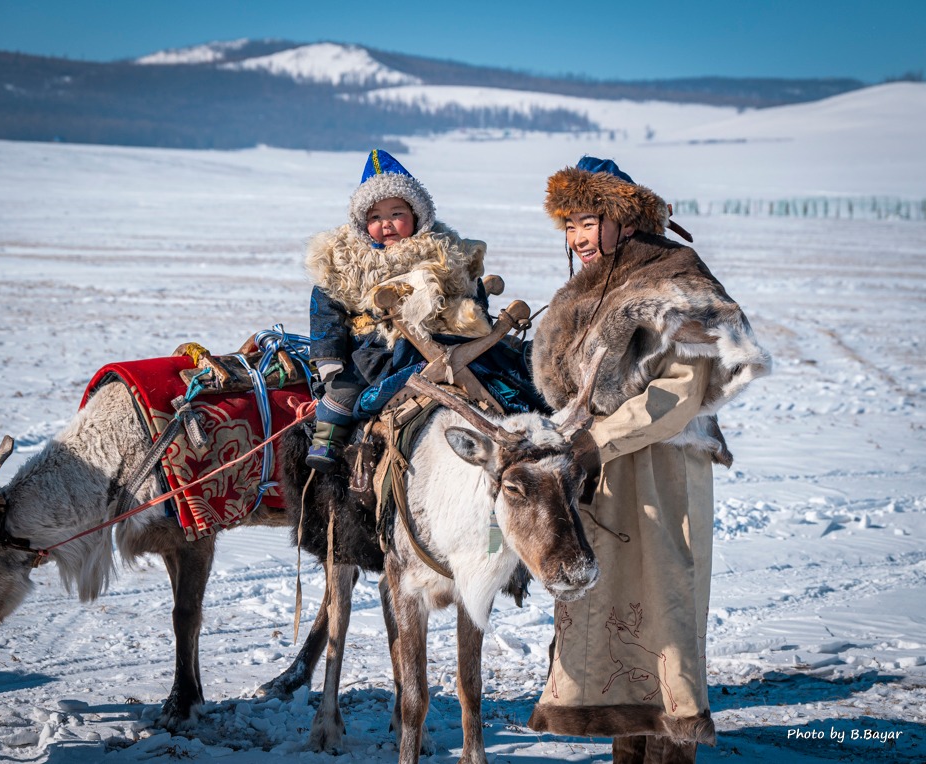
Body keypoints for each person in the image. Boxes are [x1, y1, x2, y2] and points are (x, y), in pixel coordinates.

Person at [526, 157, 772, 763]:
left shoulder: (676, 280)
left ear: (625, 219)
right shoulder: (589, 289)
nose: (577, 238)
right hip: (603, 473)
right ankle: (626, 751)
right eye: (569, 226)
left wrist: (593, 441)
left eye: (588, 221)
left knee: (662, 603)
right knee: (609, 612)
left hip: (662, 468)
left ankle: (670, 753)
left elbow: (678, 395)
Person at [305, 149, 492, 472]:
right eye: (375, 217)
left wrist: (471, 319)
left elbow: (470, 291)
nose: (386, 224)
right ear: (363, 223)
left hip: (437, 344)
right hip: (373, 352)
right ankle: (327, 442)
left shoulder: (443, 253)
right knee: (342, 395)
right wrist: (329, 356)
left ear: (418, 215)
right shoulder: (347, 260)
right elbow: (326, 307)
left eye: (396, 213)